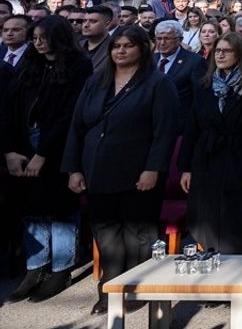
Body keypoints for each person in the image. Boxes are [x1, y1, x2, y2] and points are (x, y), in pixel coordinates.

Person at [63, 24, 179, 316]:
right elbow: (77, 126)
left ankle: (138, 286)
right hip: (98, 169)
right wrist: (74, 168)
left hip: (138, 171)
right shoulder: (95, 82)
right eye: (116, 46)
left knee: (138, 233)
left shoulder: (157, 83)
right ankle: (111, 288)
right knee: (106, 233)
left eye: (128, 45)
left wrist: (153, 168)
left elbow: (165, 132)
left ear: (142, 49)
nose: (121, 51)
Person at [2, 16, 92, 302]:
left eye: (44, 37)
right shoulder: (30, 62)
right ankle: (35, 267)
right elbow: (9, 108)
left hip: (58, 145)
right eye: (35, 37)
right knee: (31, 207)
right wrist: (10, 151)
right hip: (25, 140)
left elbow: (70, 114)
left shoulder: (78, 65)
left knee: (59, 209)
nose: (38, 43)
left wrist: (44, 154)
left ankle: (60, 268)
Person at [178, 32, 242, 254]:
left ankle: (240, 278)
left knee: (238, 222)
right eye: (217, 50)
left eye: (226, 51)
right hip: (207, 159)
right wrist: (185, 168)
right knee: (206, 219)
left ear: (239, 53)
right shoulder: (204, 83)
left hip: (241, 158)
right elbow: (192, 128)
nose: (220, 55)